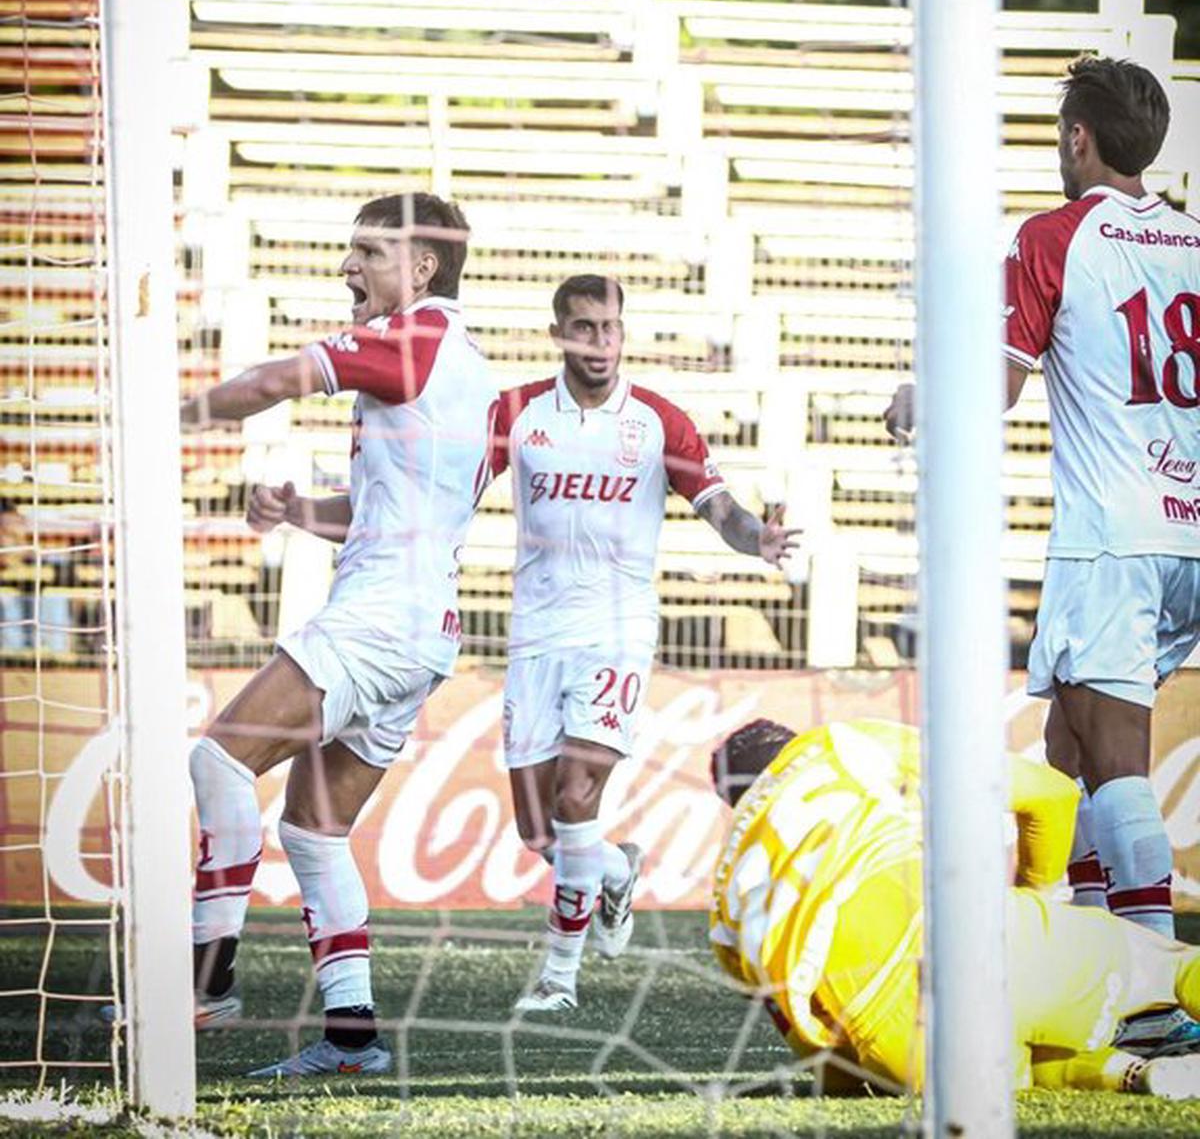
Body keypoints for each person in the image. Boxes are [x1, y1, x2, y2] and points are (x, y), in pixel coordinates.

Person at [884, 56, 1200, 1049]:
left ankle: (1151, 1004)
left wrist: (917, 403)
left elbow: (999, 384)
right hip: (1189, 528)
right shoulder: (1195, 240)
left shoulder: (1053, 236)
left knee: (1112, 766)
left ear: (1079, 139)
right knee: (1066, 751)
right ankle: (1090, 979)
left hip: (1113, 533)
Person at [180, 192, 495, 1078]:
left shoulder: (416, 341)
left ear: (422, 267)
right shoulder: (471, 371)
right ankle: (353, 1037)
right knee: (316, 833)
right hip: (424, 630)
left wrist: (166, 421)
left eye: (366, 252)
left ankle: (205, 979)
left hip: (378, 619)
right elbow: (402, 509)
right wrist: (298, 511)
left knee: (218, 762)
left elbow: (279, 379)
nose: (347, 268)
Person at [485, 274, 801, 1013]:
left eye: (612, 327)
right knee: (540, 832)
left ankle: (559, 978)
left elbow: (718, 507)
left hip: (616, 629)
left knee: (575, 794)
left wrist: (760, 540)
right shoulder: (517, 412)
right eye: (586, 328)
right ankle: (616, 870)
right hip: (535, 632)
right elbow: (455, 488)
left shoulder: (658, 421)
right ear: (559, 332)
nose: (601, 342)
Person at [709, 715, 1200, 1099]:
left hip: (903, 1052)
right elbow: (1051, 795)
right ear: (794, 742)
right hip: (977, 946)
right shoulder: (842, 744)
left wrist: (887, 1068)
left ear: (737, 803)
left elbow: (819, 1056)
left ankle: (1134, 1074)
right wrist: (1035, 897)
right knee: (1172, 965)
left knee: (1024, 1062)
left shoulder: (726, 892)